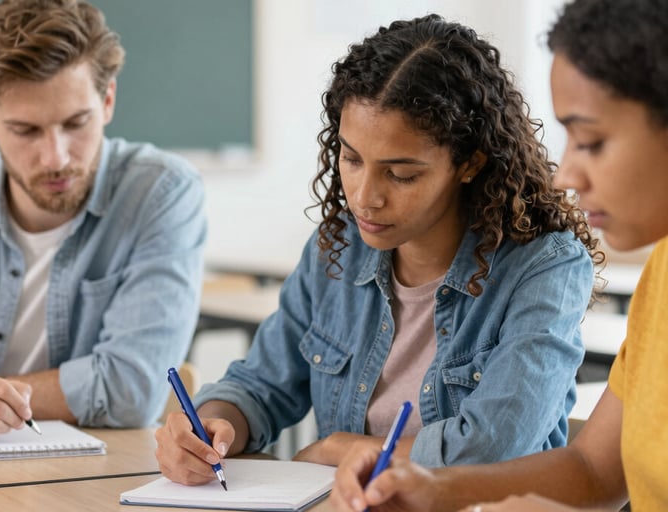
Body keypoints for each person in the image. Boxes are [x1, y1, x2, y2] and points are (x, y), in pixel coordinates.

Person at [155, 14, 602, 486]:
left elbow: (495, 445)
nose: (365, 196)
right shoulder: (339, 246)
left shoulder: (545, 266)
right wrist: (212, 425)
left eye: (401, 174)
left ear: (469, 163)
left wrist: (343, 449)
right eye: (351, 158)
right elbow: (261, 383)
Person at [329, 0, 668, 510]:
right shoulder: (662, 274)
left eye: (592, 141)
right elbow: (593, 469)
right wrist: (432, 487)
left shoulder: (544, 264)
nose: (566, 175)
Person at [0, 0, 206, 441]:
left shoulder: (161, 194)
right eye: (26, 131)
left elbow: (132, 389)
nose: (57, 157)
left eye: (76, 123)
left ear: (107, 100)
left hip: (93, 487)